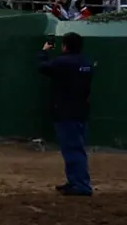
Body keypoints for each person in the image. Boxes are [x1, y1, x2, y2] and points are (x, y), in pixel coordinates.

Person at [39, 32, 94, 196]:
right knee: (74, 148)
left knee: (72, 150)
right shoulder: (86, 63)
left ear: (65, 46)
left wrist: (44, 51)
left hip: (65, 112)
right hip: (81, 110)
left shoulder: (63, 62)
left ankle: (81, 185)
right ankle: (75, 181)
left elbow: (43, 67)